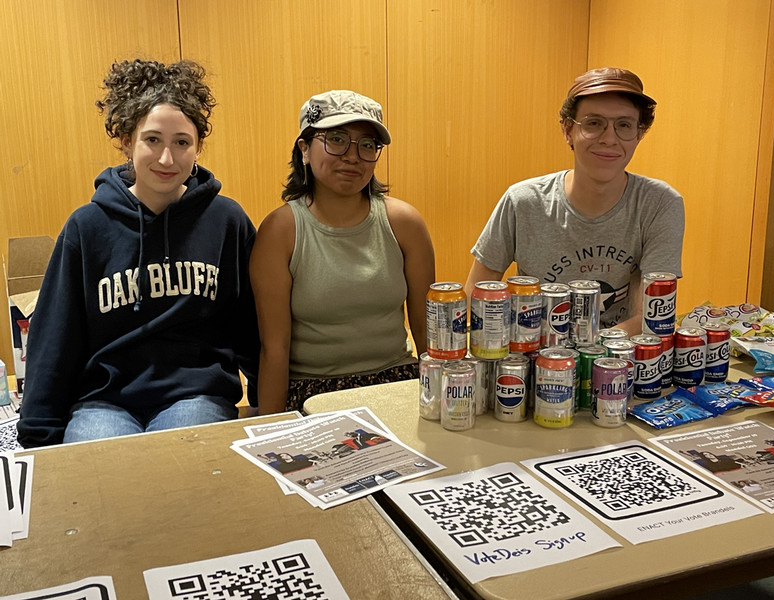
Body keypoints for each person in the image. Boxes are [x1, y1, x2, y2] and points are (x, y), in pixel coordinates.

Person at [16, 59, 259, 448]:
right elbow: (56, 339)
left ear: (198, 147)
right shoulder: (86, 227)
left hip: (194, 396)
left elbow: (251, 324)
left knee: (175, 471)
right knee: (100, 480)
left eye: (182, 142)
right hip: (103, 403)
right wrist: (39, 439)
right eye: (152, 140)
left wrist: (273, 408)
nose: (167, 159)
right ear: (127, 141)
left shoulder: (226, 220)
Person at [251, 90, 435, 414]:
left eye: (367, 145)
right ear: (304, 149)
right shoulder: (280, 231)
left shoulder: (405, 223)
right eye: (336, 139)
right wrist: (271, 431)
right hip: (314, 392)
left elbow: (427, 333)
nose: (353, 156)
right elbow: (274, 350)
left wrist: (443, 402)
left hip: (397, 383)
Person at [466, 67, 685, 333]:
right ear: (568, 130)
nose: (609, 139)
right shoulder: (522, 201)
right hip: (534, 355)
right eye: (594, 123)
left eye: (624, 125)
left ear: (639, 134)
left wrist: (586, 353)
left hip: (620, 361)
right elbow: (476, 297)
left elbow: (651, 316)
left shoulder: (660, 204)